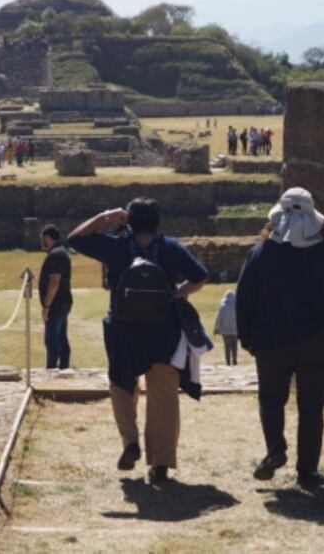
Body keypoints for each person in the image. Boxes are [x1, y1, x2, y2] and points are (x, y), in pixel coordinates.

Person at [68, 198, 209, 484]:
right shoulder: (170, 247)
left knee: (122, 386)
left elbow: (75, 239)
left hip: (124, 331)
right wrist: (178, 293)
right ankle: (161, 464)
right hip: (164, 331)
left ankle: (130, 442)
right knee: (164, 398)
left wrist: (106, 216)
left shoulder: (118, 246)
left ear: (129, 221)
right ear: (158, 222)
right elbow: (200, 276)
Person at [235, 187, 324, 490]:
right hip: (317, 342)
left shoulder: (260, 253)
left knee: (271, 400)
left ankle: (275, 449)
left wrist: (246, 337)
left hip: (271, 341)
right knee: (311, 407)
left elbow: (245, 298)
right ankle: (307, 472)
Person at [39, 225, 73, 369]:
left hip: (56, 304)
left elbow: (54, 281)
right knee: (60, 337)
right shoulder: (60, 252)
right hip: (62, 302)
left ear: (47, 238)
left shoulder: (56, 255)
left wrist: (47, 306)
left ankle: (51, 371)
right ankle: (64, 368)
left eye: (43, 239)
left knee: (52, 340)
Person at [213, 290, 238, 365]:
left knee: (227, 346)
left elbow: (218, 318)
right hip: (235, 330)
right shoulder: (237, 306)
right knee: (235, 345)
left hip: (225, 331)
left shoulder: (223, 306)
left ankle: (228, 361)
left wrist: (216, 329)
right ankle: (234, 359)